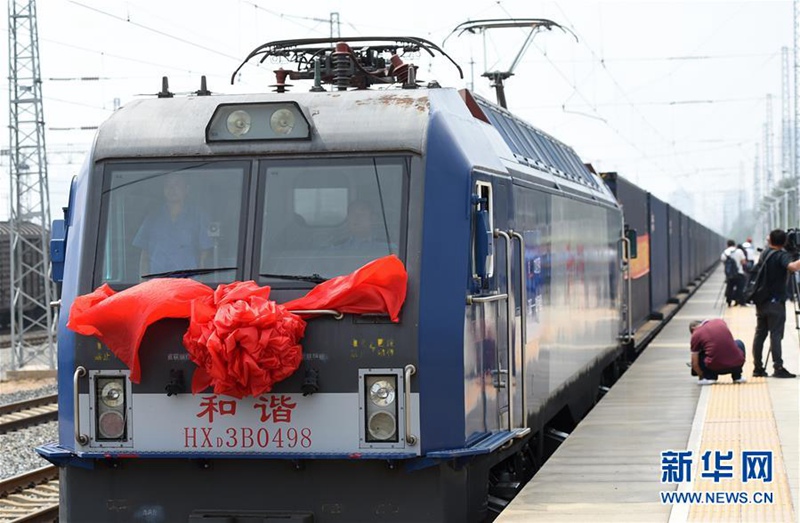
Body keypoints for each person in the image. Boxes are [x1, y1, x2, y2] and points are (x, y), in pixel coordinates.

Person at [133, 174, 214, 276]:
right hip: (158, 283)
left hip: (188, 282)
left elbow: (205, 254)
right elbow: (144, 253)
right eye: (168, 185)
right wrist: (142, 283)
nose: (172, 189)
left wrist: (201, 281)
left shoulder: (198, 216)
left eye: (177, 184)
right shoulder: (153, 217)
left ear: (186, 189)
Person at [751, 229, 800, 378]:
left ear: (770, 240)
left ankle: (758, 368)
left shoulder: (765, 253)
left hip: (761, 301)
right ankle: (778, 367)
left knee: (760, 334)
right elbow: (792, 267)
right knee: (776, 335)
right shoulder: (781, 255)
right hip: (775, 303)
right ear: (784, 242)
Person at [689, 319, 746, 385]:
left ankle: (710, 377)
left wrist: (701, 376)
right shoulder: (720, 321)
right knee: (738, 343)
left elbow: (694, 363)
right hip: (735, 365)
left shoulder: (696, 333)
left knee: (699, 353)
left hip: (714, 368)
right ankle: (737, 377)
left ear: (693, 328)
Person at [721, 239, 747, 306]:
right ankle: (739, 301)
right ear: (734, 244)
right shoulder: (739, 251)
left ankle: (729, 301)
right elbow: (743, 262)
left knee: (730, 287)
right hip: (739, 273)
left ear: (727, 245)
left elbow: (724, 262)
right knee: (740, 288)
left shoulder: (725, 252)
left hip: (730, 274)